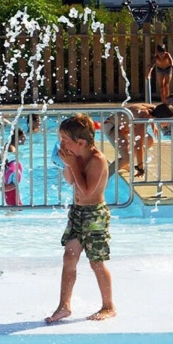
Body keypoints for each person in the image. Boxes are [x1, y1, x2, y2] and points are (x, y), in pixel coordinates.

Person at [45, 113, 115, 323]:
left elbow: (86, 190)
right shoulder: (77, 157)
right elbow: (70, 180)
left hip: (95, 215)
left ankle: (108, 306)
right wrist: (68, 163)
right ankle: (64, 306)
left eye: (65, 140)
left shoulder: (97, 160)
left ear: (81, 142)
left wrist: (73, 163)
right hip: (77, 213)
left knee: (96, 262)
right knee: (69, 257)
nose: (61, 144)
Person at [103, 103, 173, 177]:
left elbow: (146, 109)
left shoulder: (155, 109)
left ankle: (124, 163)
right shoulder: (142, 118)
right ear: (162, 117)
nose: (169, 123)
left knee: (149, 141)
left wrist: (153, 125)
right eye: (168, 120)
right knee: (127, 158)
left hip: (123, 127)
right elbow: (139, 146)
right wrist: (140, 168)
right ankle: (103, 177)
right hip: (111, 126)